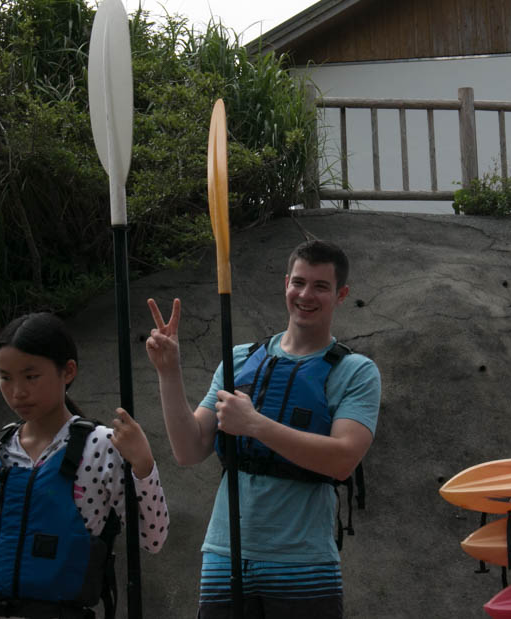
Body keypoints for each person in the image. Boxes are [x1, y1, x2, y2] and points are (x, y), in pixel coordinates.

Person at [146, 239, 381, 619]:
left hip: (304, 562)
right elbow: (189, 451)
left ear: (341, 295)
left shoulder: (355, 371)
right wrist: (169, 373)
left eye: (321, 286)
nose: (306, 295)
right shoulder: (239, 359)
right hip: (226, 555)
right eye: (299, 283)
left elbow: (342, 460)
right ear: (286, 283)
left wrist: (255, 424)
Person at [0, 312, 169, 619]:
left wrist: (144, 467)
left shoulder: (102, 446)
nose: (17, 392)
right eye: (5, 377)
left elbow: (152, 539)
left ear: (67, 372)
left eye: (31, 377)